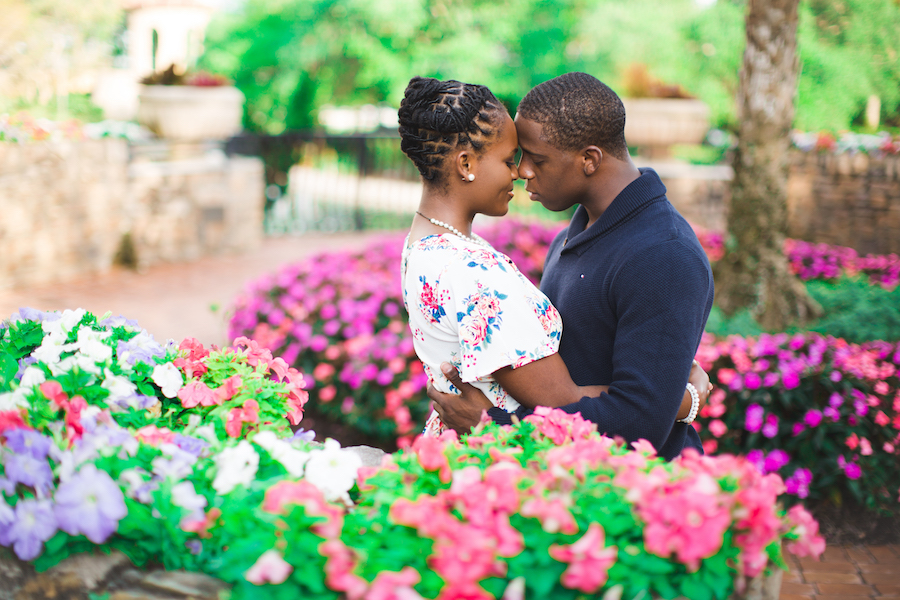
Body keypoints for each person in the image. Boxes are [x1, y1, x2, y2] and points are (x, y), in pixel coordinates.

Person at [398, 75, 709, 441]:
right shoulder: (566, 239)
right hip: (545, 471)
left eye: (535, 158)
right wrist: (683, 398)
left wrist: (670, 400)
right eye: (513, 157)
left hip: (619, 487)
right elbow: (565, 391)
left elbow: (639, 419)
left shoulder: (664, 255)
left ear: (589, 160)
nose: (521, 171)